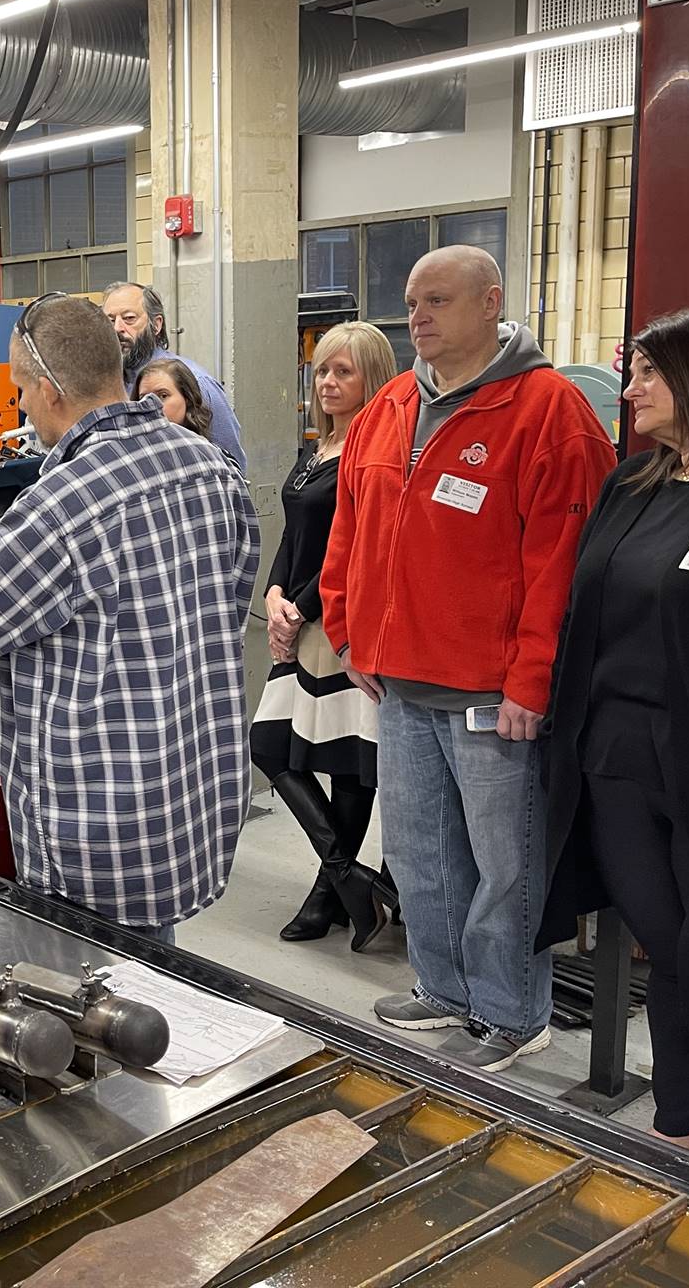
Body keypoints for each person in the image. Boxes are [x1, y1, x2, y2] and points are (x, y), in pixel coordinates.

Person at [0, 294, 258, 938]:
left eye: (21, 391)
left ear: (50, 389)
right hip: (191, 807)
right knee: (153, 987)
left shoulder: (63, 506)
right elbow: (225, 611)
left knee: (92, 1006)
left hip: (97, 840)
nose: (22, 408)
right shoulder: (209, 468)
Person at [323, 245, 614, 1071]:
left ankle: (511, 1012)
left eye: (437, 301)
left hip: (491, 690)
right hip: (401, 681)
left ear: (491, 303)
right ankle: (444, 988)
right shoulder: (388, 409)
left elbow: (563, 564)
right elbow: (349, 528)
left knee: (502, 863)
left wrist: (531, 680)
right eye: (412, 302)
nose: (417, 317)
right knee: (419, 850)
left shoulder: (547, 411)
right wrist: (347, 632)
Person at [540, 306, 689, 1173]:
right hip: (616, 768)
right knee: (670, 948)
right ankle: (678, 1129)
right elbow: (586, 621)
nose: (627, 390)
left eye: (646, 374)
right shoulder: (633, 483)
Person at [249, 322, 399, 949]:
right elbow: (296, 534)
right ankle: (348, 882)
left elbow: (359, 544)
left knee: (345, 764)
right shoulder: (319, 447)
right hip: (301, 618)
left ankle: (330, 891)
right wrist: (276, 595)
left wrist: (302, 608)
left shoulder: (376, 449)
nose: (329, 382)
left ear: (374, 377)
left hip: (343, 621)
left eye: (344, 371)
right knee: (273, 747)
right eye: (322, 371)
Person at [102, 280, 246, 469]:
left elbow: (233, 466)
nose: (117, 329)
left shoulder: (197, 382)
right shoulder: (111, 383)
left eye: (129, 318)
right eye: (110, 320)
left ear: (156, 324)